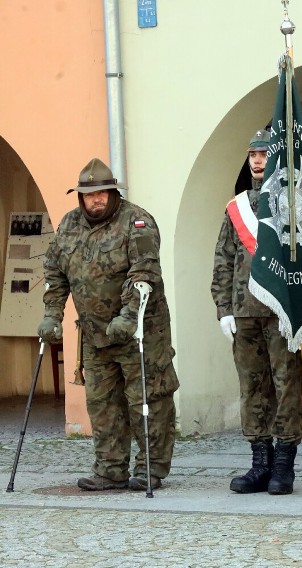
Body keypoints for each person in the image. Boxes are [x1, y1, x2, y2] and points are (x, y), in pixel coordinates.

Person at [39, 157, 179, 491]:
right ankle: (110, 468)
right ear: (80, 197)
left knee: (146, 398)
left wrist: (128, 316)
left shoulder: (137, 222)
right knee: (102, 402)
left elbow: (144, 273)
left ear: (113, 192)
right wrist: (51, 316)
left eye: (103, 192)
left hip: (141, 332)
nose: (97, 199)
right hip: (95, 334)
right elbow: (54, 273)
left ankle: (150, 468)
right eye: (89, 194)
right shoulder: (69, 225)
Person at [211, 129, 302, 495]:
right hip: (243, 313)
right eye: (252, 154)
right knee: (252, 389)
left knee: (286, 388)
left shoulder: (292, 204)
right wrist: (223, 308)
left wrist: (297, 306)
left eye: (264, 153)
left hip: (280, 313)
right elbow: (223, 258)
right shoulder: (236, 207)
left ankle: (284, 464)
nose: (257, 159)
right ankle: (259, 462)